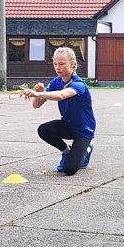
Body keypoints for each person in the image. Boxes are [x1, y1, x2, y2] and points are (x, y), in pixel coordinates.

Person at [21, 47, 95, 175]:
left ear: (73, 65)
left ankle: (87, 148)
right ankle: (67, 152)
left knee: (69, 170)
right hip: (68, 125)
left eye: (62, 64)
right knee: (43, 129)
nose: (57, 67)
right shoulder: (56, 82)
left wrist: (38, 94)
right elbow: (36, 105)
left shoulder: (79, 84)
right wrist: (39, 93)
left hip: (84, 130)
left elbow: (61, 95)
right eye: (55, 64)